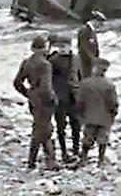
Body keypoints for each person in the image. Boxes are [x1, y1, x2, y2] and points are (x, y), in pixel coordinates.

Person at [14, 35, 58, 170]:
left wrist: (28, 93)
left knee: (40, 127)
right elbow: (46, 87)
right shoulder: (45, 65)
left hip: (33, 98)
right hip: (44, 100)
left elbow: (17, 82)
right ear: (44, 48)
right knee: (44, 129)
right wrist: (52, 100)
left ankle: (39, 160)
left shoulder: (27, 62)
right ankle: (43, 160)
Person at [76, 58, 118, 167]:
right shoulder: (109, 85)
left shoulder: (85, 83)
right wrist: (113, 113)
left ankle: (84, 158)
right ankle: (101, 160)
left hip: (89, 116)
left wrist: (80, 115)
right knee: (103, 139)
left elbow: (80, 101)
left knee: (87, 138)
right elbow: (113, 103)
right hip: (104, 117)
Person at [47, 34, 80, 163]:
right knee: (61, 127)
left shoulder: (76, 59)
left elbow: (81, 76)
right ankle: (64, 152)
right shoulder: (53, 60)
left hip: (74, 97)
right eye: (60, 46)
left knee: (76, 125)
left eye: (64, 46)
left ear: (70, 46)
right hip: (59, 97)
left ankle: (76, 150)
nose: (62, 49)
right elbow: (47, 78)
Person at [75, 12, 106, 81]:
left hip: (90, 59)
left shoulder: (91, 30)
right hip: (85, 59)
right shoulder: (85, 29)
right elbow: (83, 45)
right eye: (100, 23)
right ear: (94, 20)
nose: (101, 25)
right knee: (86, 77)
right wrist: (92, 57)